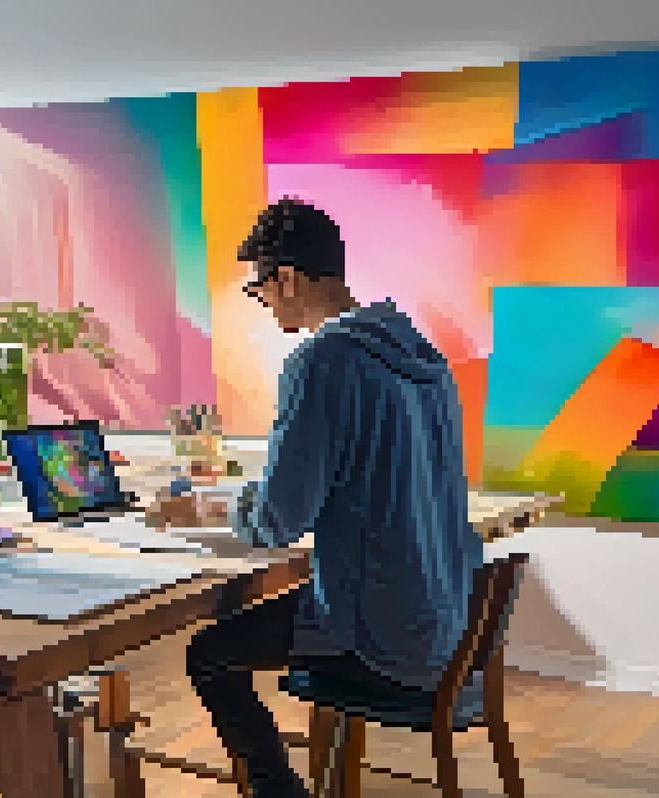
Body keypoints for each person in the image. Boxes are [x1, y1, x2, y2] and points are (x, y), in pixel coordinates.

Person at [186, 197, 485, 797]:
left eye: (260, 293)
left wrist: (205, 507)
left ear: (286, 278)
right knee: (250, 621)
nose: (265, 307)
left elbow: (277, 521)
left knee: (209, 653)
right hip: (442, 620)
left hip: (379, 633)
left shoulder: (320, 362)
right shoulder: (423, 358)